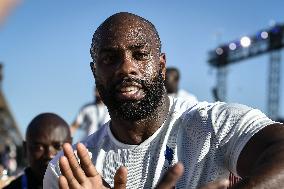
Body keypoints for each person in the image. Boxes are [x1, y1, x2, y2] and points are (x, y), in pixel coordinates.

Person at [43, 12, 284, 189]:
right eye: (109, 58)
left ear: (161, 66)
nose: (127, 68)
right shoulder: (71, 171)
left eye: (140, 55)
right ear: (95, 73)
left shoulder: (214, 125)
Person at [4, 113, 72, 189]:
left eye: (58, 146)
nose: (49, 155)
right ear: (25, 149)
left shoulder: (84, 185)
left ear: (71, 146)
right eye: (38, 147)